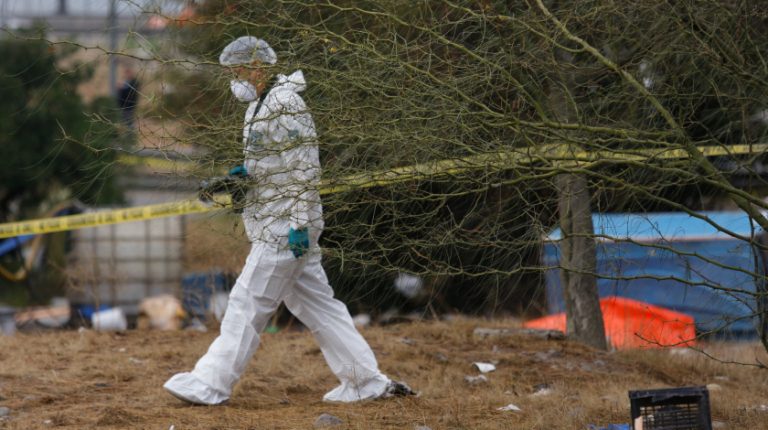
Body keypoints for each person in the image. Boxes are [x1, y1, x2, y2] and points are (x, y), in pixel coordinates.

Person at [163, 36, 415, 405]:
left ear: (257, 66)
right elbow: (272, 163)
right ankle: (365, 382)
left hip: (284, 227)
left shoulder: (285, 104)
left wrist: (298, 224)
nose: (233, 78)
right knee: (317, 305)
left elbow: (304, 170)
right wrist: (238, 177)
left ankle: (210, 383)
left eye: (237, 70)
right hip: (275, 220)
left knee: (246, 303)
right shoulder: (259, 106)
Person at [116, 64, 140, 130]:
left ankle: (130, 135)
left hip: (129, 105)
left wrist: (121, 88)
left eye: (128, 72)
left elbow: (131, 93)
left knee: (129, 122)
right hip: (122, 105)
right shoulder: (125, 82)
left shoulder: (134, 82)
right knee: (123, 122)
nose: (126, 74)